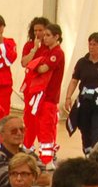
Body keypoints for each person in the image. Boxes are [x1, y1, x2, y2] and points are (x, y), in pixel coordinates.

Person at [61, 32, 98, 151]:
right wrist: (68, 98)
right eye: (90, 44)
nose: (91, 47)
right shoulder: (82, 62)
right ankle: (88, 154)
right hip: (85, 103)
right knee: (85, 131)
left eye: (95, 44)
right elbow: (74, 81)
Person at [20, 19, 65, 162]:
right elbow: (24, 63)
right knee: (30, 121)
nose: (41, 35)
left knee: (46, 126)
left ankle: (47, 158)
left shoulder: (55, 52)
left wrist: (34, 65)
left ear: (56, 36)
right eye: (37, 31)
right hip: (34, 93)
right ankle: (29, 149)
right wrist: (34, 53)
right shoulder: (33, 46)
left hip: (47, 96)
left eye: (45, 33)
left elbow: (41, 68)